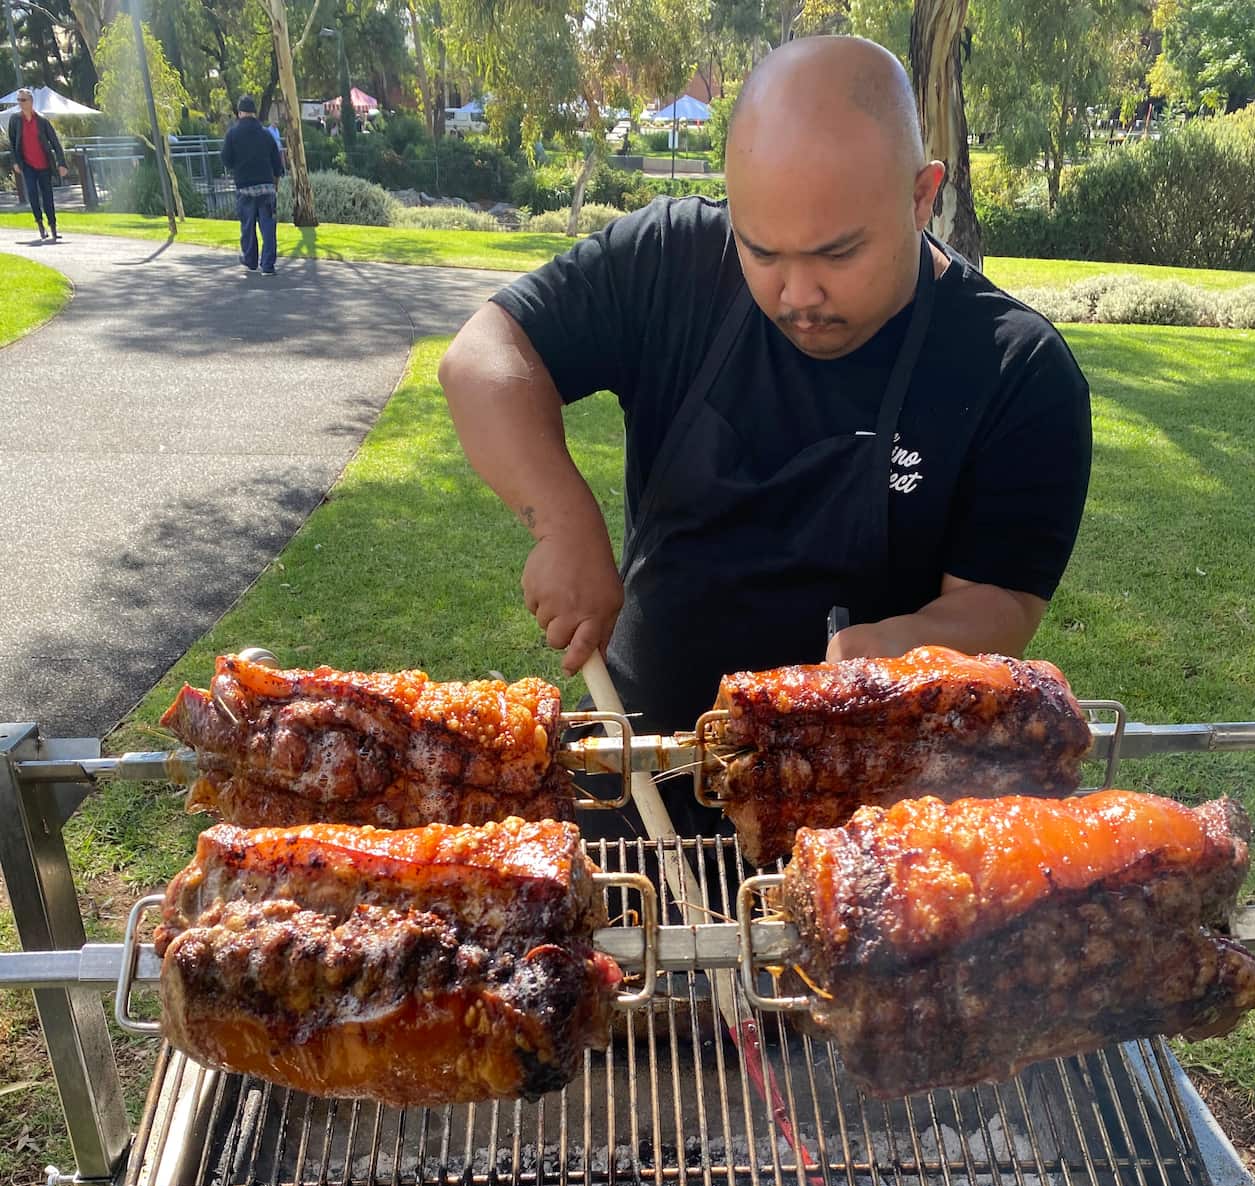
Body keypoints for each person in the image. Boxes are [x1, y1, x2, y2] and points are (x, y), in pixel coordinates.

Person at [439, 37, 1092, 751]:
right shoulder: (673, 262)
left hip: (866, 788)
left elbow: (1001, 600)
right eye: (761, 250)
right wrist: (561, 521)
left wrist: (884, 657)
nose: (797, 295)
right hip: (645, 762)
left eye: (837, 254)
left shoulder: (1017, 370)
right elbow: (483, 353)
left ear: (921, 196)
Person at [221, 93, 284, 275]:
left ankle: (250, 259)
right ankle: (268, 264)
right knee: (268, 227)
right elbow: (277, 164)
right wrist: (275, 183)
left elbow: (226, 159)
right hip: (266, 186)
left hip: (245, 186)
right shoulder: (266, 135)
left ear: (240, 113)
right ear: (254, 113)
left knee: (247, 226)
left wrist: (237, 166)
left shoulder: (232, 134)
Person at [7, 89, 68, 243]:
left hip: (44, 164)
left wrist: (61, 163)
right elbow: (12, 144)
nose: (20, 103)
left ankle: (53, 227)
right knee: (32, 194)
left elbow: (55, 143)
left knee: (48, 197)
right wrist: (15, 162)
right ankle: (40, 225)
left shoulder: (42, 121)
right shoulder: (15, 120)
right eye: (19, 100)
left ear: (31, 101)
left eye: (23, 100)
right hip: (27, 165)